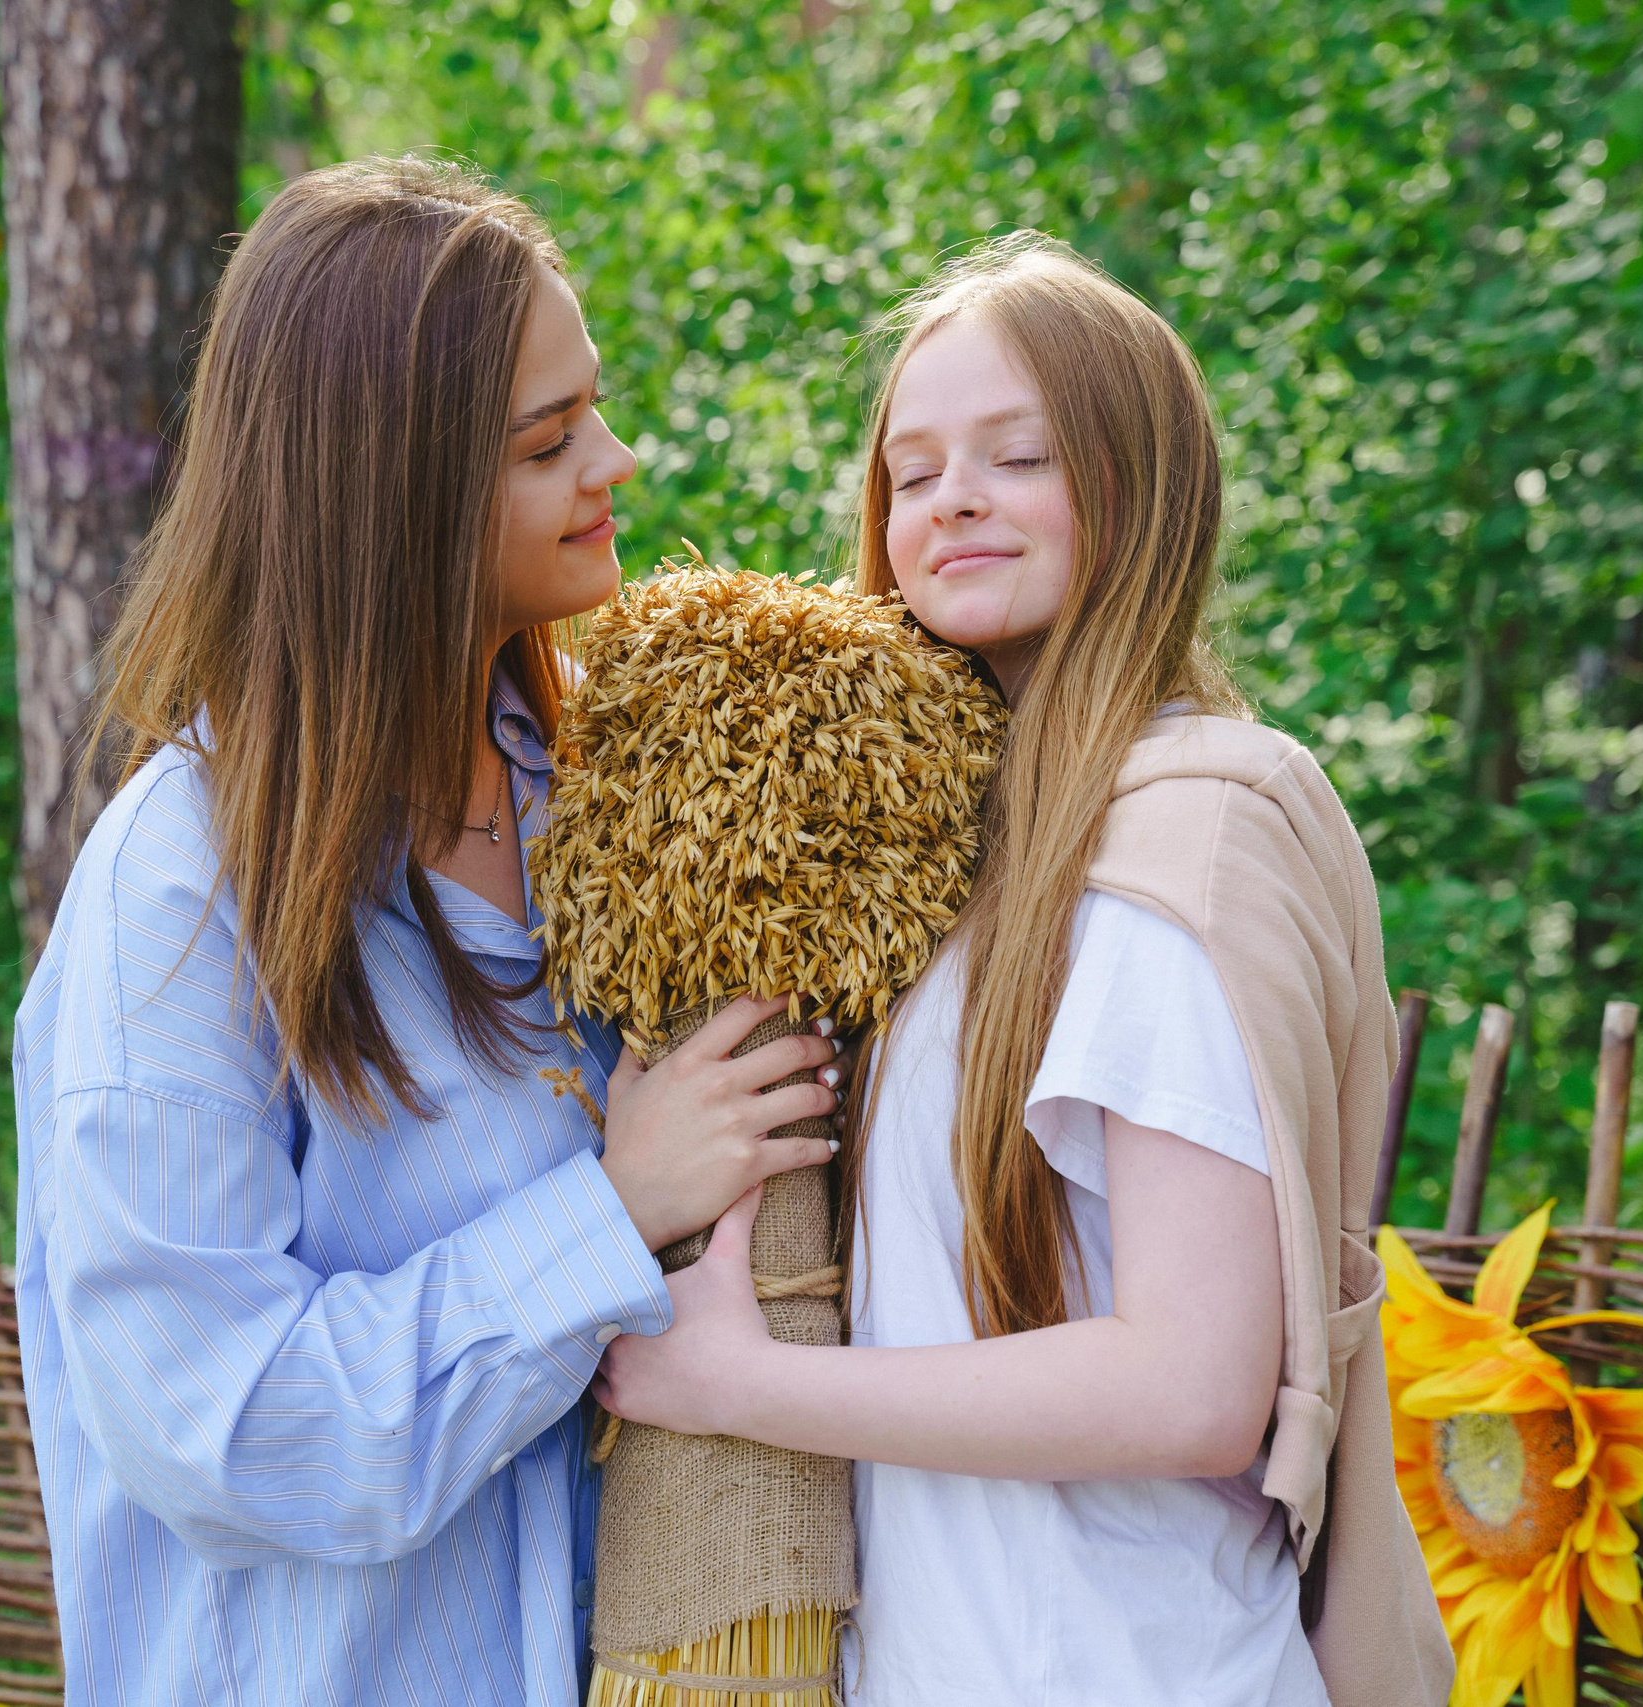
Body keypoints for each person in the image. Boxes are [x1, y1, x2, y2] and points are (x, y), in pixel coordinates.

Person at [10, 157, 846, 1707]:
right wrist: (612, 1213)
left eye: (591, 406)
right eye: (549, 443)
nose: (617, 457)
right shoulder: (184, 901)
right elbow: (229, 1432)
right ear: (387, 499)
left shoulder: (592, 781)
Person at [593, 235, 1453, 1706]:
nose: (956, 502)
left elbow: (1193, 1386)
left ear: (1141, 485)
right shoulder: (952, 876)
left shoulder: (1171, 842)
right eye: (912, 472)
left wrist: (746, 1386)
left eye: (1019, 455)